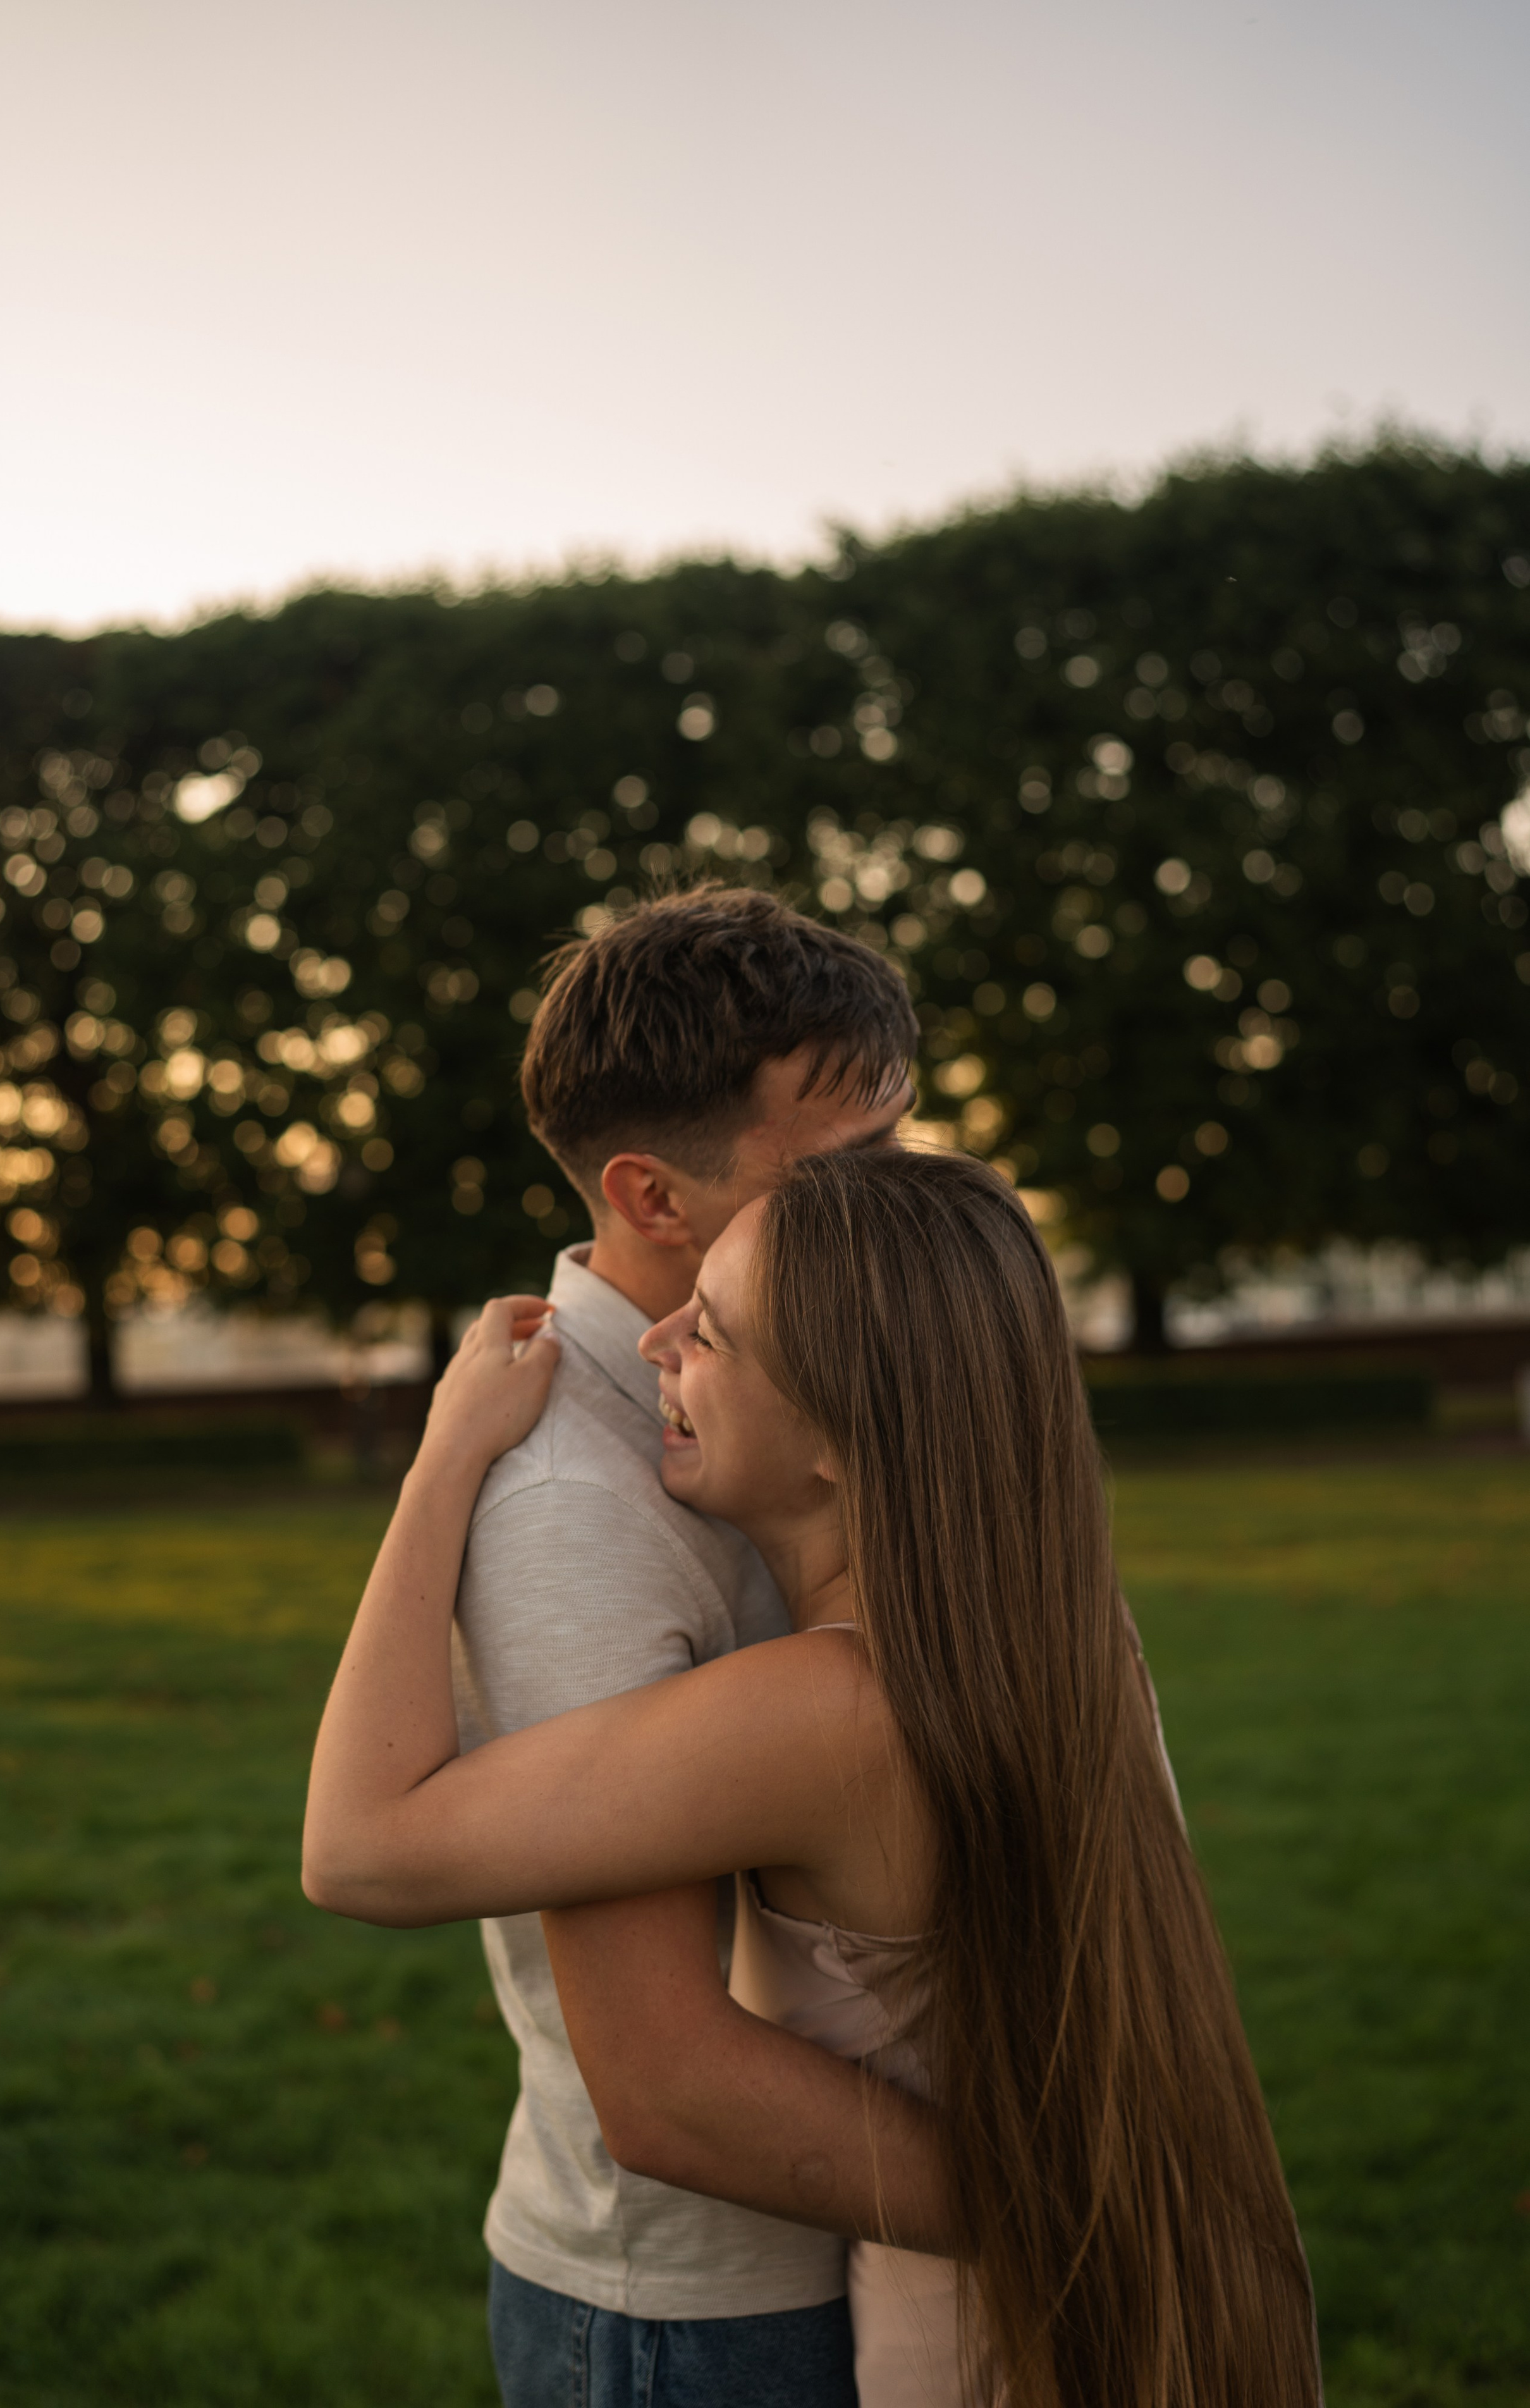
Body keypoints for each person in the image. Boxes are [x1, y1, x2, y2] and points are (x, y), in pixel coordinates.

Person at [305, 1141, 1322, 2407]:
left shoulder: (827, 1713)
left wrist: (441, 1464)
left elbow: (357, 1845)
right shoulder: (1055, 1631)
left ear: (842, 1437)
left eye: (715, 1335)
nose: (653, 1342)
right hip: (1148, 2309)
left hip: (983, 2351)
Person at [336, 886, 938, 2407]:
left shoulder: (797, 1396)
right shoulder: (571, 1505)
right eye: (847, 1167)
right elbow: (665, 2079)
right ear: (654, 1197)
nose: (899, 1198)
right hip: (705, 2312)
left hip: (854, 2252)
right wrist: (1086, 2201)